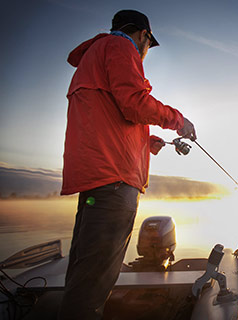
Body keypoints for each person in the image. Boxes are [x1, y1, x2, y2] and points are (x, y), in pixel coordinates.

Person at [58, 9, 196, 320]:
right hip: (114, 184)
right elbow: (134, 102)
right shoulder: (121, 47)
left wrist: (147, 143)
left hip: (98, 181)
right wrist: (178, 120)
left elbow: (105, 119)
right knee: (93, 286)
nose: (146, 51)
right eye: (149, 42)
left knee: (82, 277)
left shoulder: (95, 56)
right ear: (143, 36)